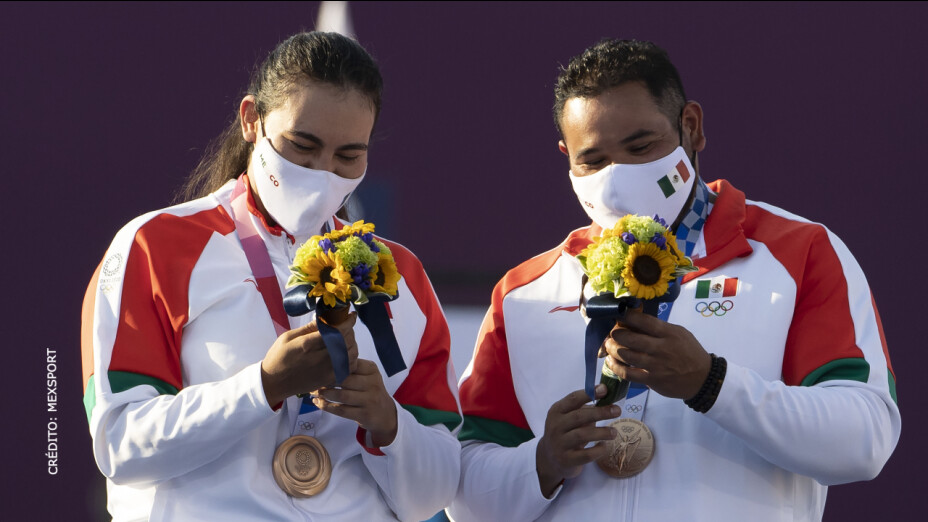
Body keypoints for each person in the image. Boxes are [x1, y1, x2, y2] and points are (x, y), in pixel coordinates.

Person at [448, 39, 899, 521]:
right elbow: (463, 497)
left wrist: (711, 383)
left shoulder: (799, 253)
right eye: (593, 161)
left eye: (642, 146)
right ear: (566, 155)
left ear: (691, 127)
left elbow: (865, 440)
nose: (617, 177)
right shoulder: (524, 293)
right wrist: (541, 462)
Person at [81, 32, 461, 522]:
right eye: (302, 145)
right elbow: (119, 445)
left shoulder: (399, 274)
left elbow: (437, 495)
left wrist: (389, 425)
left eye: (348, 156)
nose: (323, 172)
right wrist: (262, 386)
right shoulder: (155, 246)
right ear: (250, 121)